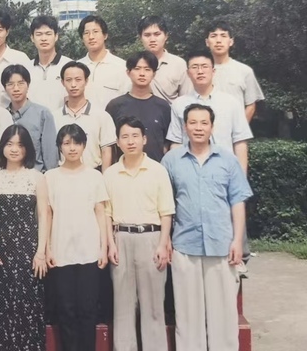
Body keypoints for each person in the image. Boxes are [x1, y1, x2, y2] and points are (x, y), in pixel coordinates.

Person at [162, 104, 253, 351]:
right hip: (184, 246)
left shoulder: (228, 160)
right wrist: (165, 239)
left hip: (221, 244)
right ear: (185, 127)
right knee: (187, 314)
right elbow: (164, 204)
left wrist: (237, 240)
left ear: (212, 126)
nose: (198, 128)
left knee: (223, 313)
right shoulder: (171, 161)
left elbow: (237, 201)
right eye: (193, 122)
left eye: (204, 123)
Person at [104, 116, 175, 351]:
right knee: (122, 307)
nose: (130, 141)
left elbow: (166, 211)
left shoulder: (158, 170)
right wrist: (111, 244)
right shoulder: (110, 174)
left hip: (151, 238)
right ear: (118, 142)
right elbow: (107, 214)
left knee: (153, 306)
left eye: (135, 136)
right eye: (125, 137)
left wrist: (163, 244)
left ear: (144, 139)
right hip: (121, 239)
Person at [45, 124, 109, 351]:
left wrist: (103, 247)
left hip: (89, 251)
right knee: (66, 310)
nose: (72, 148)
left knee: (87, 310)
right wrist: (47, 248)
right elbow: (48, 215)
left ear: (84, 145)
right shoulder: (50, 177)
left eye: (76, 143)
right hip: (61, 251)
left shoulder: (95, 176)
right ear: (60, 146)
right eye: (66, 143)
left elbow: (100, 212)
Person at [0, 125, 49, 351]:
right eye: (9, 144)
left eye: (20, 145)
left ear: (28, 149)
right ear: (2, 147)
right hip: (1, 248)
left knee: (29, 304)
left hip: (28, 248)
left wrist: (41, 252)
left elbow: (43, 215)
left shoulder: (36, 177)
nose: (14, 149)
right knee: (1, 306)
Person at [167, 50, 253, 173]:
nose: (200, 71)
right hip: (189, 171)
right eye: (194, 67)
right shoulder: (179, 104)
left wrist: (241, 177)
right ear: (188, 73)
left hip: (225, 171)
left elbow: (240, 142)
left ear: (213, 71)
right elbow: (176, 142)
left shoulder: (231, 103)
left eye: (204, 66)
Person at [105, 51, 171, 162]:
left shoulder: (163, 106)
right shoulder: (115, 105)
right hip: (123, 168)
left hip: (155, 168)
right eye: (137, 69)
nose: (142, 73)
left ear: (154, 74)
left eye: (147, 69)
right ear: (128, 72)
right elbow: (109, 144)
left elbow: (167, 143)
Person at [52, 61, 116, 171]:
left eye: (78, 80)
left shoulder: (101, 116)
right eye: (68, 80)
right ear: (62, 82)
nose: (73, 85)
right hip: (63, 174)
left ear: (86, 81)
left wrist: (104, 177)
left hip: (94, 173)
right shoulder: (54, 117)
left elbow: (106, 151)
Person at [205, 21, 265, 121]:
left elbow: (251, 105)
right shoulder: (199, 71)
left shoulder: (244, 71)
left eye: (223, 36)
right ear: (207, 42)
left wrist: (240, 128)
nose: (218, 41)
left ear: (231, 41)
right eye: (214, 36)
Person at [3, 64, 58, 172]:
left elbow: (50, 154)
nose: (16, 89)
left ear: (28, 85)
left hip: (36, 175)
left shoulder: (42, 114)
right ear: (5, 88)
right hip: (7, 176)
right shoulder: (1, 115)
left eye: (21, 83)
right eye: (10, 84)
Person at [78, 15, 130, 109]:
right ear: (82, 38)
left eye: (95, 32)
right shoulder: (76, 68)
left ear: (105, 35)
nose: (91, 37)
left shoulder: (122, 67)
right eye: (86, 33)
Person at [137, 15, 192, 104]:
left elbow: (186, 100)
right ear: (140, 38)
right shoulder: (134, 64)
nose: (152, 39)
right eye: (147, 35)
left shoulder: (179, 64)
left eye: (157, 34)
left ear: (166, 36)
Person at [26, 15, 73, 111]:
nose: (43, 38)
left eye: (48, 34)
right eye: (39, 34)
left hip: (62, 119)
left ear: (56, 36)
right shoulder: (26, 68)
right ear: (32, 38)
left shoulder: (70, 66)